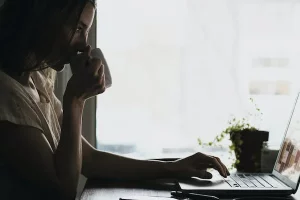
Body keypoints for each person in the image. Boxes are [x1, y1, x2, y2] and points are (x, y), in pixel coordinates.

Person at [0, 0, 230, 199]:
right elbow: (62, 190)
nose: (84, 45)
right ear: (46, 18)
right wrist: (75, 101)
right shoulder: (5, 93)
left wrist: (174, 168)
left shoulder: (36, 82)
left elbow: (89, 159)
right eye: (79, 29)